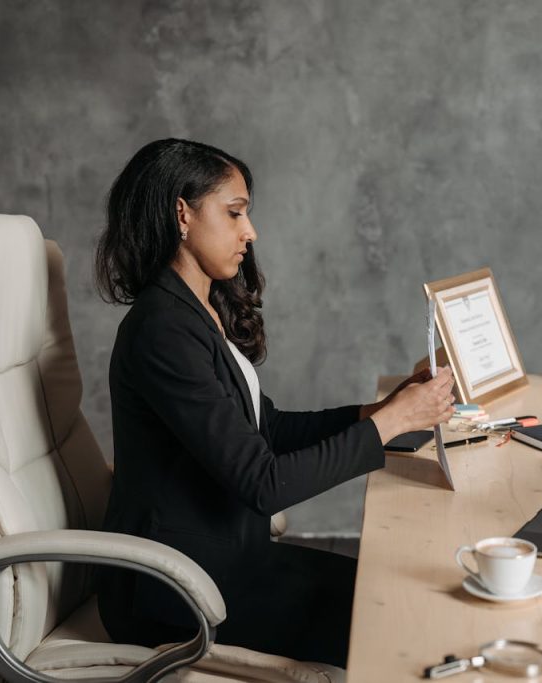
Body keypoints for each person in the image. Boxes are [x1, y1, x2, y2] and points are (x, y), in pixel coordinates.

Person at [93, 138, 456, 667]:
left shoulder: (197, 309)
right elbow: (264, 483)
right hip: (175, 591)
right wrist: (391, 425)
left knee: (402, 593)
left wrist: (380, 412)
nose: (250, 232)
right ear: (182, 214)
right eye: (235, 213)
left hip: (226, 559)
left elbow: (269, 428)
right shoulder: (160, 330)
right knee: (396, 616)